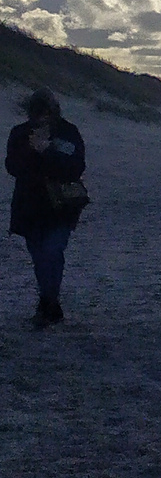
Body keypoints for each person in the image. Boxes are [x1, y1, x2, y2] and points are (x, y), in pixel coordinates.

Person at [7, 88, 88, 327]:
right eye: (37, 114)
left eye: (46, 113)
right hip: (29, 208)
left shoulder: (68, 132)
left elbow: (75, 168)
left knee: (52, 253)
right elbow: (12, 167)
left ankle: (48, 303)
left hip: (61, 207)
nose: (42, 118)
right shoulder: (20, 133)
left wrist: (47, 152)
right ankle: (50, 303)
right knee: (40, 258)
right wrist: (31, 150)